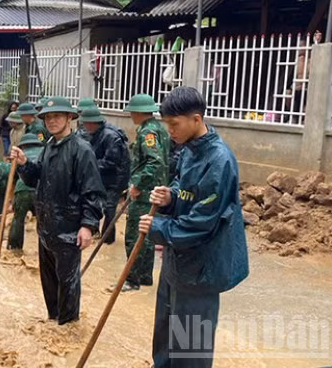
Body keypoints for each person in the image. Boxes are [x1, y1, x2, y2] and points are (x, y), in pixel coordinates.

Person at [140, 86, 249, 367]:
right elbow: (184, 190)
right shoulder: (188, 151)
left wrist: (158, 228)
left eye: (174, 125)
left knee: (190, 354)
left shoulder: (219, 161)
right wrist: (170, 197)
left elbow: (202, 223)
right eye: (167, 125)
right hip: (176, 264)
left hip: (201, 270)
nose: (170, 132)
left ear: (196, 120)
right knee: (164, 343)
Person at [10, 96, 105, 325]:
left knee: (68, 284)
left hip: (69, 230)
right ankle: (53, 321)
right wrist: (24, 164)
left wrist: (87, 226)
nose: (52, 121)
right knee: (49, 282)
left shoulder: (81, 150)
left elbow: (92, 191)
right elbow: (37, 178)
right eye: (48, 117)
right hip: (46, 229)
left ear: (69, 118)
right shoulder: (49, 147)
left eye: (57, 116)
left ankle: (68, 327)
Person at [119, 93, 170, 292]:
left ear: (139, 112)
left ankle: (132, 279)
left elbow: (155, 161)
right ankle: (144, 277)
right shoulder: (159, 129)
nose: (131, 115)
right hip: (154, 191)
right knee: (146, 234)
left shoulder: (147, 132)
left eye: (132, 111)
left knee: (134, 235)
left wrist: (138, 184)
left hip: (145, 192)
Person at [79, 107, 130, 244]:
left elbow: (111, 162)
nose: (84, 127)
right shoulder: (96, 134)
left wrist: (91, 166)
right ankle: (95, 231)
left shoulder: (110, 136)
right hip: (104, 177)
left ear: (93, 123)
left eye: (85, 124)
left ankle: (107, 239)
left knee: (109, 207)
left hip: (115, 179)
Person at [8, 133, 43, 251]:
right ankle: (44, 250)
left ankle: (14, 248)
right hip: (40, 191)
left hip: (21, 191)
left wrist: (10, 201)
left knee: (18, 219)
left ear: (22, 146)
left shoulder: (19, 155)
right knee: (44, 221)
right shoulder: (45, 152)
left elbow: (12, 180)